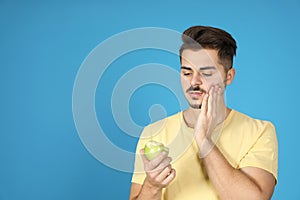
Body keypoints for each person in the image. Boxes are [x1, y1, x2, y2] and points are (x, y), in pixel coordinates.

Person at [129, 25, 278, 200]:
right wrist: (152, 186)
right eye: (187, 72)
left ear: (228, 76)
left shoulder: (259, 131)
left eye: (206, 73)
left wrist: (203, 139)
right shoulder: (154, 132)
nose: (194, 81)